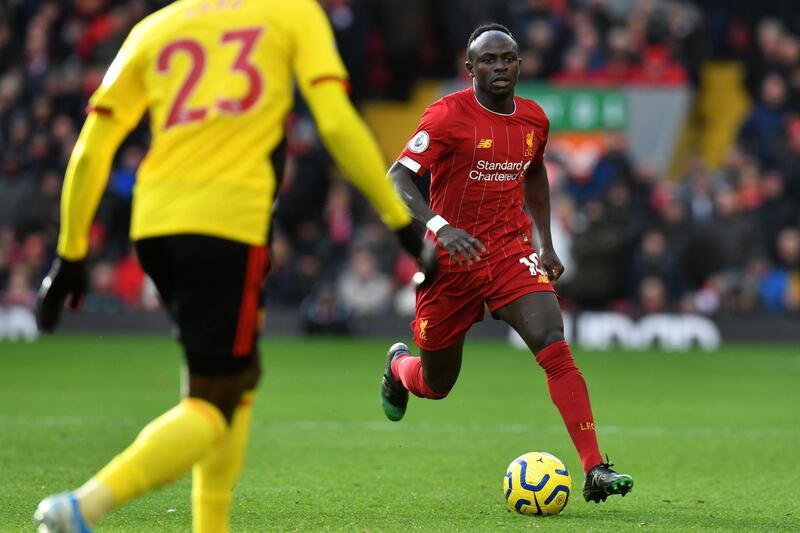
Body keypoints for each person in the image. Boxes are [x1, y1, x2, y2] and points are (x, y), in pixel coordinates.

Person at [33, 1, 428, 532]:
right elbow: (336, 121)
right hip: (227, 226)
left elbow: (91, 148)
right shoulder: (290, 14)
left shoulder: (156, 27)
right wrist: (399, 221)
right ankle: (83, 507)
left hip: (154, 226)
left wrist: (70, 253)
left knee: (233, 378)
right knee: (214, 404)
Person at [379, 23, 634, 504]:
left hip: (509, 251)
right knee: (436, 385)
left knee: (552, 342)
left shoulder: (535, 119)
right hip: (451, 261)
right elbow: (397, 179)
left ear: (520, 63)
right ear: (470, 67)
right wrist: (440, 227)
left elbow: (535, 175)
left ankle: (595, 466)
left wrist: (546, 241)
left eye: (508, 58)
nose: (500, 67)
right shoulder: (447, 115)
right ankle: (398, 368)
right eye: (490, 60)